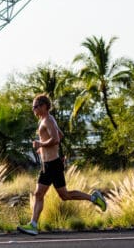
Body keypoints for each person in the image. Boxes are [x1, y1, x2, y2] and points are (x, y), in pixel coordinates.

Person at [17, 94, 106, 236]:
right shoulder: (45, 120)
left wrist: (41, 144)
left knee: (39, 194)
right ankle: (94, 198)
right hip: (51, 163)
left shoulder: (48, 119)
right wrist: (44, 149)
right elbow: (60, 135)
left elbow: (56, 139)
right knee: (64, 195)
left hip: (52, 164)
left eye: (35, 106)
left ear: (43, 106)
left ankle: (33, 225)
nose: (33, 109)